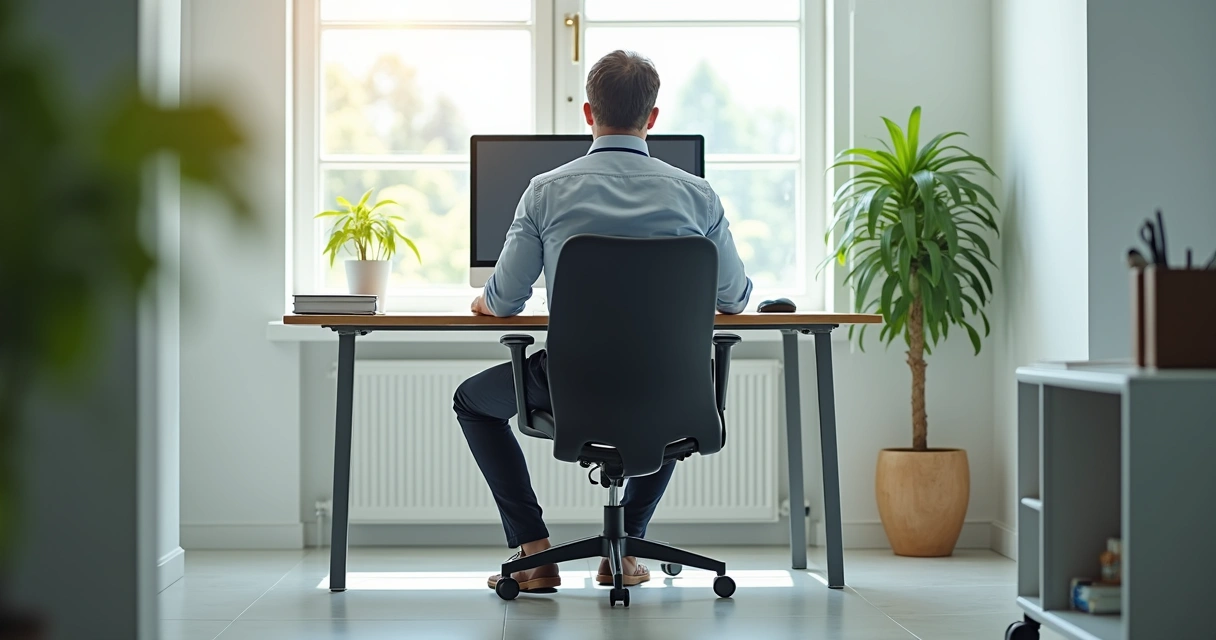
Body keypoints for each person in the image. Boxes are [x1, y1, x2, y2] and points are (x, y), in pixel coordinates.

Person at [453, 50, 753, 594]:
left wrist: (484, 302)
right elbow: (734, 299)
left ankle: (535, 552)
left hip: (572, 385)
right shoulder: (698, 194)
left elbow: (505, 302)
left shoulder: (545, 191)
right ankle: (626, 549)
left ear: (588, 114)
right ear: (653, 118)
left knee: (472, 402)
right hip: (674, 387)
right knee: (671, 390)